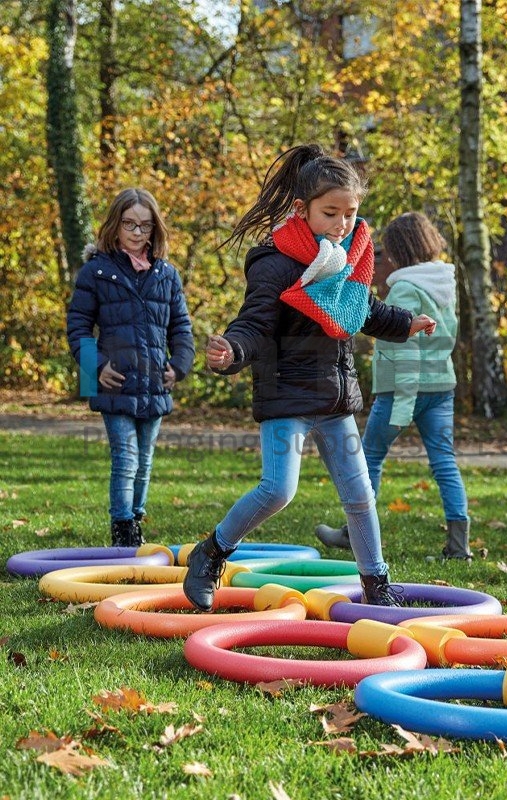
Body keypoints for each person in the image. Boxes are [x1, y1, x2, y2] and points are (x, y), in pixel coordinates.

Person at [182, 144, 436, 612]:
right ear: (302, 209)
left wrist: (405, 322)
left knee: (360, 496)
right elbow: (255, 322)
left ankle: (376, 585)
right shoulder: (275, 262)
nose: (342, 224)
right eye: (330, 214)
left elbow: (362, 309)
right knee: (278, 490)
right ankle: (212, 552)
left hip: (334, 398)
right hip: (286, 395)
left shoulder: (349, 254)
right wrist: (233, 350)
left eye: (350, 214)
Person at [315, 212, 471, 561]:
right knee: (444, 462)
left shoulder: (405, 287)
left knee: (369, 457)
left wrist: (403, 404)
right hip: (441, 386)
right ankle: (459, 546)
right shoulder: (444, 283)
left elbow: (407, 349)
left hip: (402, 390)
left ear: (399, 250)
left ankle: (353, 533)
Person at [66, 188, 195, 547]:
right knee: (126, 458)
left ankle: (136, 519)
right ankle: (122, 528)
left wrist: (179, 366)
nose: (137, 233)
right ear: (115, 225)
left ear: (155, 229)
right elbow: (78, 327)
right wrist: (96, 367)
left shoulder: (166, 274)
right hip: (115, 383)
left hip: (154, 383)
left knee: (145, 460)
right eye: (129, 224)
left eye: (145, 226)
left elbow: (181, 328)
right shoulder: (96, 272)